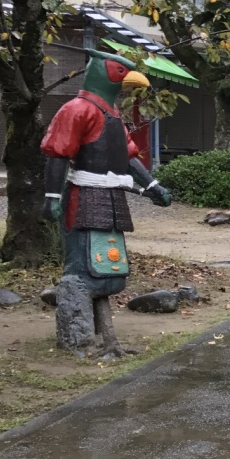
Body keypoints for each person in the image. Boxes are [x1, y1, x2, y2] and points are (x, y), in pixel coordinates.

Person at [40, 50, 171, 358]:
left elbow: (127, 157)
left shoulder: (111, 115)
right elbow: (58, 154)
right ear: (102, 72)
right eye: (120, 70)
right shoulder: (77, 109)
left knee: (107, 268)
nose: (129, 76)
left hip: (111, 199)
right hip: (84, 197)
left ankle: (109, 339)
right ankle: (79, 340)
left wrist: (152, 186)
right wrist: (52, 198)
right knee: (83, 269)